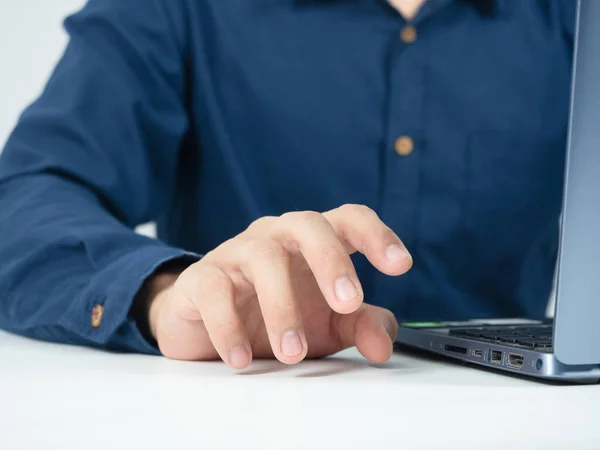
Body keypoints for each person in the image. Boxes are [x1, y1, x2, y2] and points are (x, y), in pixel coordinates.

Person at [0, 0, 575, 369]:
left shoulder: (572, 17)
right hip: (243, 406)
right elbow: (23, 200)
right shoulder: (179, 10)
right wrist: (170, 291)